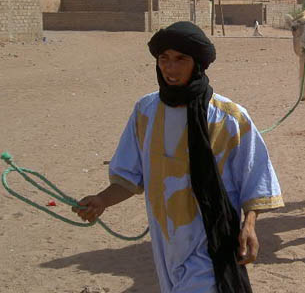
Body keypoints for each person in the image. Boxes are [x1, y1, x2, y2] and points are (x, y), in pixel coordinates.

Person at [72, 21, 284, 293]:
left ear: (197, 64)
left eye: (180, 59)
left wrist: (250, 225)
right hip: (166, 242)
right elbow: (130, 176)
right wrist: (101, 200)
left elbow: (255, 177)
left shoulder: (228, 117)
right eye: (164, 59)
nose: (170, 69)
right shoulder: (145, 112)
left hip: (210, 239)